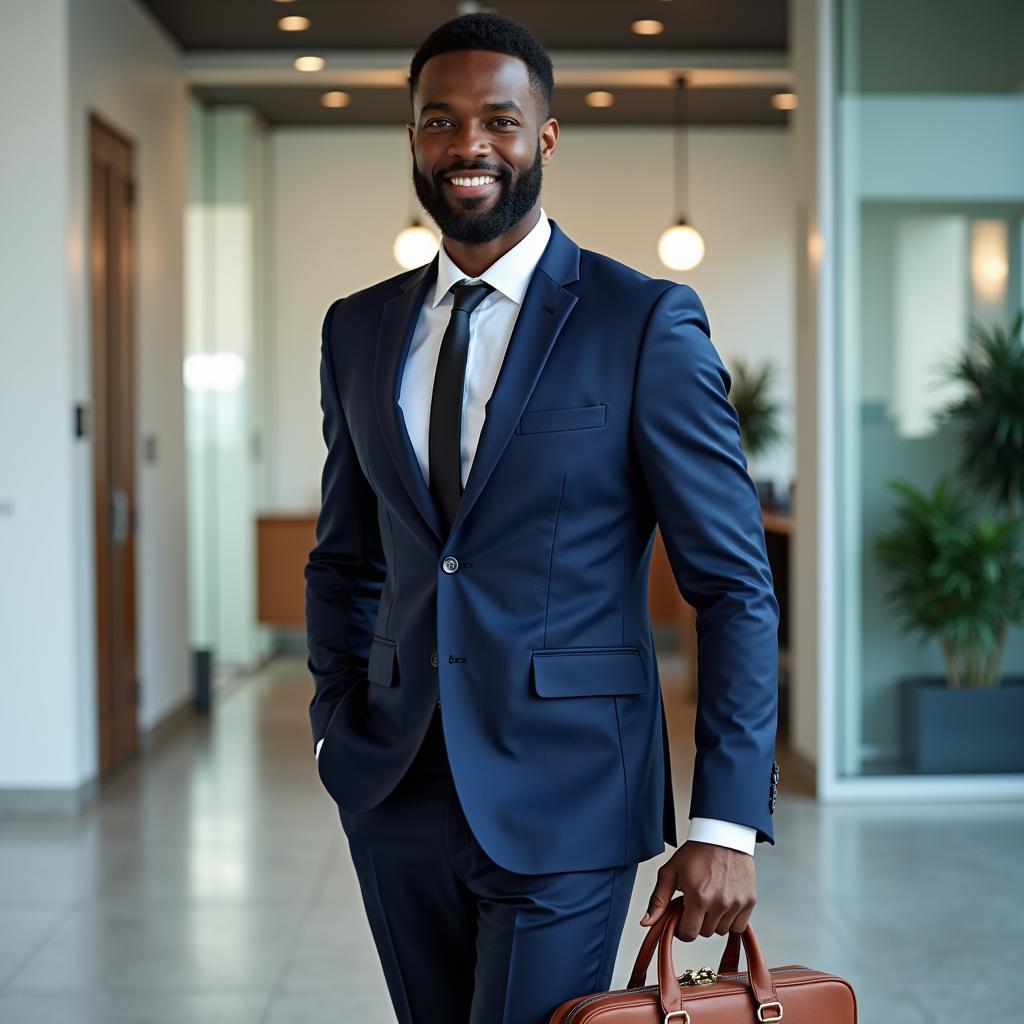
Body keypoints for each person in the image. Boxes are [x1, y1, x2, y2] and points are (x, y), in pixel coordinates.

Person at [304, 13, 780, 1024]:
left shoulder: (641, 322)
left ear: (545, 138)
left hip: (570, 793)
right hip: (394, 783)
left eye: (498, 121)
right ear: (414, 142)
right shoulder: (357, 328)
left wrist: (727, 820)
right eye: (439, 121)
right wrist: (332, 728)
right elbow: (345, 557)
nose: (468, 145)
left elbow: (731, 584)